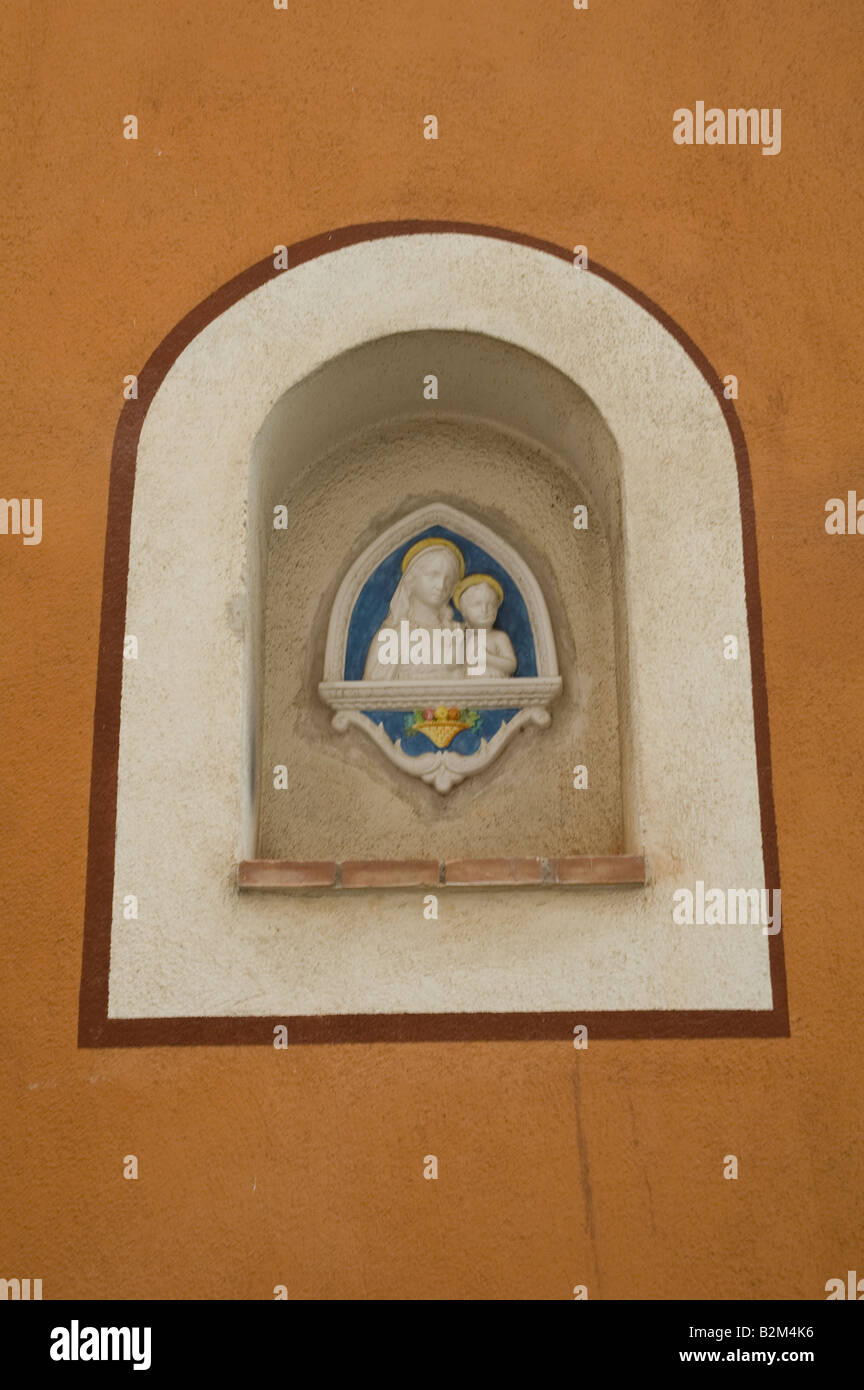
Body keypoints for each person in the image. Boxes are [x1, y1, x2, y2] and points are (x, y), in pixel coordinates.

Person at [363, 537, 465, 680]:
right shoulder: (392, 638)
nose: (441, 585)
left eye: (448, 579)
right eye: (433, 575)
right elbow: (372, 694)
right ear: (411, 579)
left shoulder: (458, 633)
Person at [453, 573, 517, 677]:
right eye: (477, 604)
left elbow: (511, 666)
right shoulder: (462, 638)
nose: (484, 610)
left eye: (491, 604)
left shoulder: (499, 637)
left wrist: (487, 657)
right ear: (464, 611)